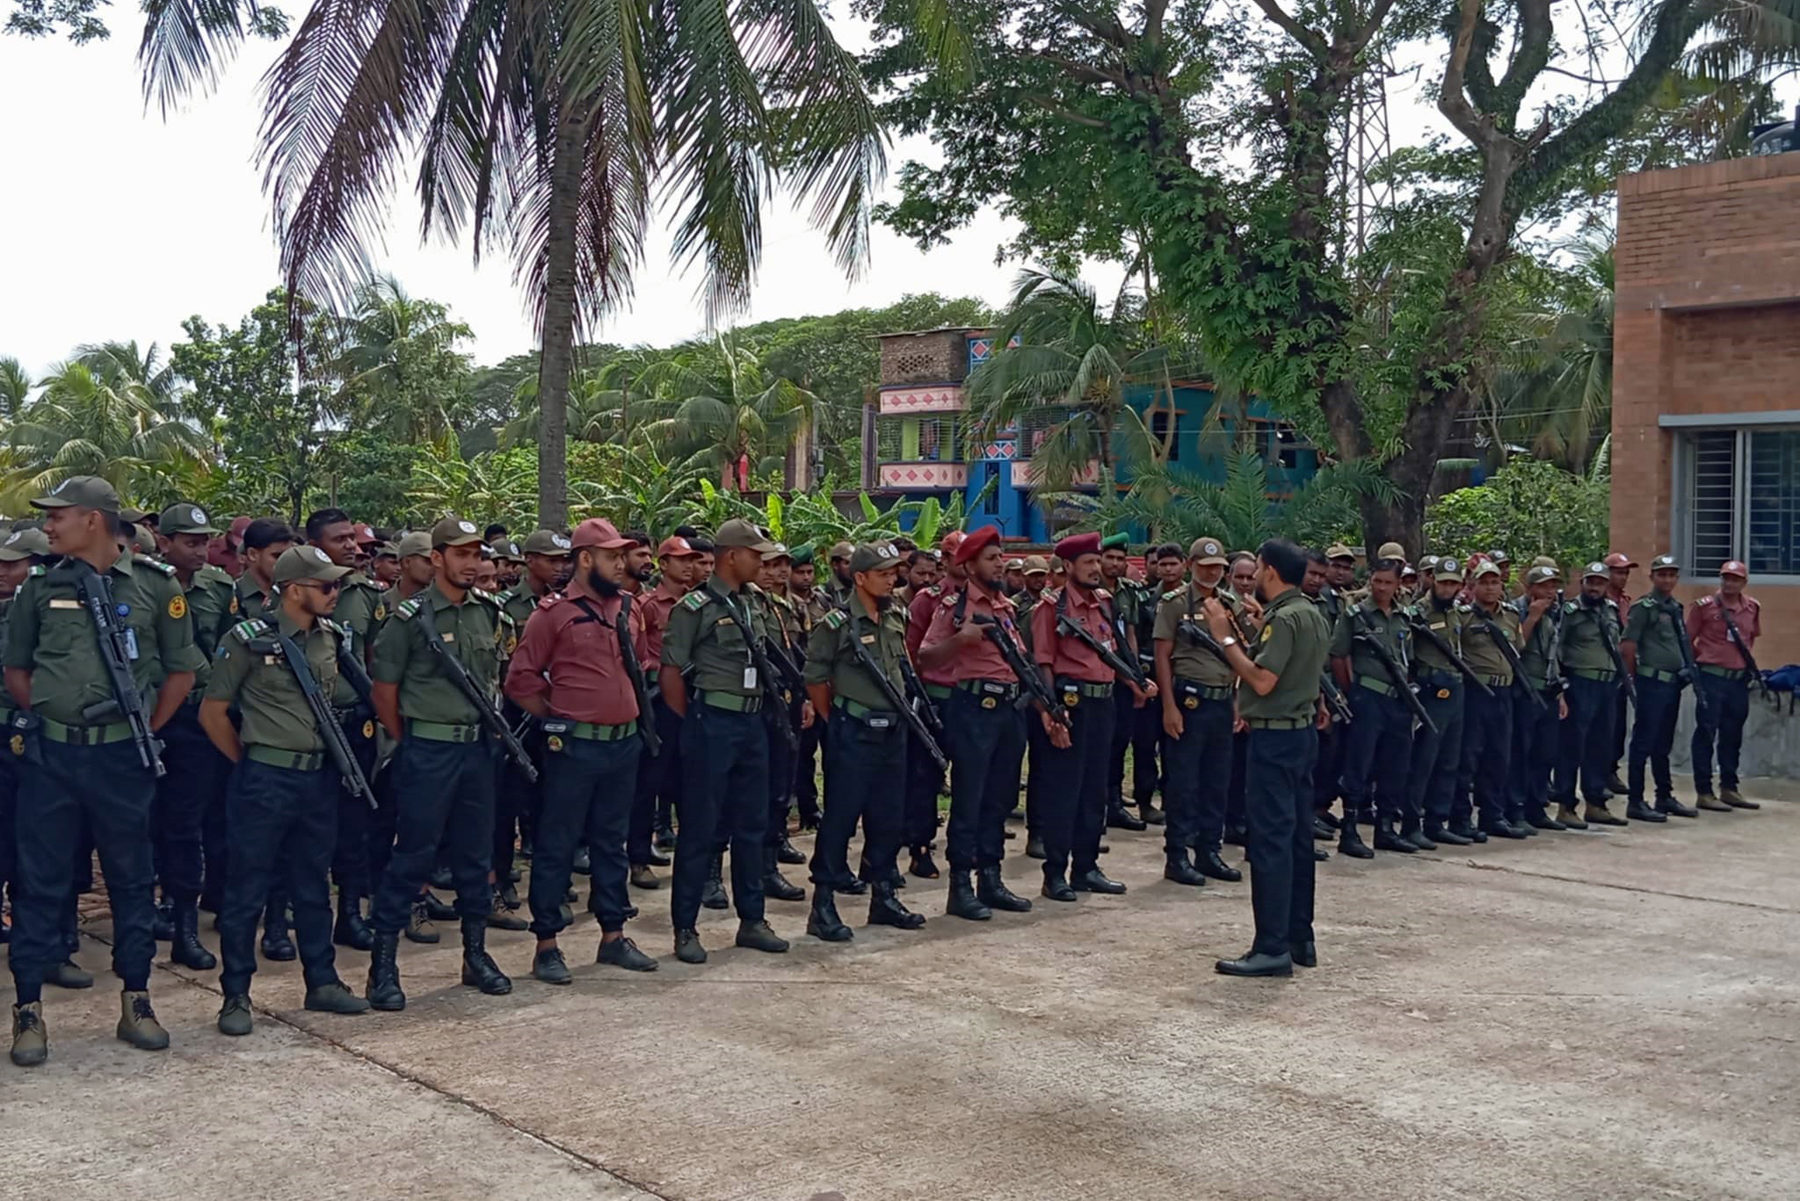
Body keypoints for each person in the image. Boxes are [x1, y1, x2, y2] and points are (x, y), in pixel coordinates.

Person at [7, 476, 204, 1067]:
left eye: (57, 516)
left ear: (93, 519)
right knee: (39, 881)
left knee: (131, 878)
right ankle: (27, 1011)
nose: (47, 526)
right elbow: (17, 670)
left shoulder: (155, 586)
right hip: (53, 758)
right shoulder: (40, 587)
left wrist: (143, 729)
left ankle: (137, 998)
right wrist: (53, 714)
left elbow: (180, 674)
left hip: (122, 759)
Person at [199, 546, 373, 1035]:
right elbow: (213, 713)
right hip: (264, 779)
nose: (335, 593)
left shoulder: (332, 639)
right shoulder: (248, 639)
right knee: (246, 889)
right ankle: (236, 994)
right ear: (295, 590)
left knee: (314, 884)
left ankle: (322, 981)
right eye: (326, 586)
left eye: (337, 585)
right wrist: (252, 763)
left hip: (318, 778)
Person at [364, 517, 513, 1011]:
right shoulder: (408, 619)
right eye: (462, 554)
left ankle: (475, 956)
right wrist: (415, 740)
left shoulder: (489, 614)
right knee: (412, 856)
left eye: (477, 555)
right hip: (427, 750)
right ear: (437, 559)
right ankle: (383, 967)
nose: (473, 564)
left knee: (475, 856)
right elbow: (383, 692)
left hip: (477, 750)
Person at [504, 518, 658, 981]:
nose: (621, 563)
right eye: (612, 556)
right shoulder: (552, 614)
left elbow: (643, 663)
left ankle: (613, 934)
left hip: (623, 745)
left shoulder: (630, 609)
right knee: (558, 844)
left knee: (612, 842)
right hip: (574, 748)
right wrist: (560, 714)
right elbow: (520, 680)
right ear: (586, 559)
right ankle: (548, 944)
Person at [657, 517, 794, 964]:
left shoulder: (757, 603)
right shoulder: (694, 607)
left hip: (754, 725)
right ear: (731, 556)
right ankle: (685, 927)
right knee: (699, 828)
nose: (762, 562)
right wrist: (695, 722)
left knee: (752, 827)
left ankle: (752, 920)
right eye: (756, 554)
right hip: (712, 723)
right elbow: (672, 673)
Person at [1202, 538, 1331, 977]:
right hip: (1299, 738)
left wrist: (1224, 635)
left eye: (1256, 569)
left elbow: (1261, 680)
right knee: (1297, 840)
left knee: (1271, 843)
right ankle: (1299, 937)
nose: (1252, 577)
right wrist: (1254, 631)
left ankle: (1271, 946)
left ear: (1271, 572)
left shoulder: (1286, 619)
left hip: (1274, 742)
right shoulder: (1308, 612)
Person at [803, 541, 928, 939]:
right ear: (859, 578)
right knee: (840, 817)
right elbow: (816, 678)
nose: (893, 578)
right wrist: (838, 717)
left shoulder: (896, 617)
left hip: (894, 730)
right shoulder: (837, 624)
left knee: (887, 817)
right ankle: (823, 903)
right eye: (883, 573)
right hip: (854, 730)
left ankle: (883, 896)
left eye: (895, 572)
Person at [917, 526, 1035, 921]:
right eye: (991, 558)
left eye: (1000, 556)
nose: (999, 563)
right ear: (968, 566)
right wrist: (961, 640)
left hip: (1008, 710)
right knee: (969, 798)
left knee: (999, 797)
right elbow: (926, 657)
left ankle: (991, 877)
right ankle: (961, 886)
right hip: (973, 709)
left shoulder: (1006, 606)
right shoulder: (954, 606)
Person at [1028, 533, 1154, 901]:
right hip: (1072, 703)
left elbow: (1113, 653)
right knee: (1064, 790)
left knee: (1095, 789)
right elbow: (1044, 663)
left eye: (1097, 562)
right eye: (1088, 563)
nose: (1096, 569)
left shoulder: (1105, 603)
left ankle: (1086, 866)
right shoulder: (1051, 609)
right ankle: (1055, 873)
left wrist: (1134, 684)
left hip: (1103, 704)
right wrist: (1053, 711)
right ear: (1068, 567)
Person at [152, 502, 235, 968]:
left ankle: (185, 924)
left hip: (196, 719)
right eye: (190, 542)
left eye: (205, 541)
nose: (201, 550)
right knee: (147, 825)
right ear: (164, 542)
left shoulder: (220, 589)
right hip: (148, 717)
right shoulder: (142, 587)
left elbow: (229, 649)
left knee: (191, 823)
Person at [306, 507, 386, 952]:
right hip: (310, 727)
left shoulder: (366, 593)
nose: (353, 547)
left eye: (353, 540)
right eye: (342, 540)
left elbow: (372, 657)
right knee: (306, 828)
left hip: (355, 724)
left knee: (356, 824)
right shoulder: (297, 595)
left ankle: (350, 914)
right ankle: (286, 918)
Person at [1154, 536, 1248, 886]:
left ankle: (1209, 851)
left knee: (1216, 781)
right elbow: (1162, 655)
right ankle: (1177, 855)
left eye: (1218, 568)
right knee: (1183, 782)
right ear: (1191, 566)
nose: (1212, 573)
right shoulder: (1175, 603)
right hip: (1189, 702)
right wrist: (1168, 706)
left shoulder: (1229, 604)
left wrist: (1238, 701)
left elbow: (1241, 651)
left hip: (1222, 700)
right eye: (1206, 567)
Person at [629, 536, 701, 887]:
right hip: (658, 701)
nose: (688, 566)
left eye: (692, 560)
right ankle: (639, 858)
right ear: (663, 564)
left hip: (694, 699)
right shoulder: (646, 605)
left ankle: (694, 858)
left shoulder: (699, 603)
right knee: (649, 783)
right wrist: (662, 669)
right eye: (680, 559)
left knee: (691, 782)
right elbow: (639, 655)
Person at [1330, 558, 1412, 856]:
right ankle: (1349, 831)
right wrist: (1353, 692)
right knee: (1358, 764)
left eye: (1388, 582)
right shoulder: (1357, 614)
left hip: (1398, 699)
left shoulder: (1404, 616)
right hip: (1368, 697)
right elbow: (1338, 655)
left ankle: (1386, 828)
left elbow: (1407, 659)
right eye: (1376, 581)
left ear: (1397, 584)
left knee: (1395, 763)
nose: (1381, 588)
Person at [1553, 563, 1627, 828]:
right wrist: (1560, 687)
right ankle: (1565, 805)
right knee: (1572, 746)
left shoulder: (1611, 610)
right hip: (1579, 683)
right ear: (1582, 583)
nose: (1594, 587)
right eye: (1590, 582)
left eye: (1600, 582)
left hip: (1607, 686)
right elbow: (1557, 649)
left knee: (1601, 745)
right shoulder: (1571, 612)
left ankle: (1596, 803)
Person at [1457, 560, 1528, 838]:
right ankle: (1461, 817)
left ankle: (1492, 814)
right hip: (1476, 692)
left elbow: (1518, 649)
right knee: (1469, 756)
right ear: (1473, 586)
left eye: (1494, 582)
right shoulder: (1463, 617)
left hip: (1504, 692)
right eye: (1484, 582)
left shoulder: (1510, 616)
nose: (1489, 587)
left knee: (1499, 756)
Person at [1408, 557, 1475, 847]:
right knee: (1424, 760)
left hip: (1456, 687)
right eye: (1444, 582)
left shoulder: (1457, 612)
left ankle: (1437, 821)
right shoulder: (1418, 612)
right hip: (1431, 689)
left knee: (1450, 759)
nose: (1448, 589)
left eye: (1454, 583)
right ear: (1433, 580)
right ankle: (1411, 824)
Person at [1686, 560, 1761, 813]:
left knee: (1732, 735)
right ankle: (1704, 791)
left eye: (1735, 579)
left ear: (1743, 582)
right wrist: (1704, 658)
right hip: (1711, 677)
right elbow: (1687, 638)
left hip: (1738, 680)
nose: (1729, 583)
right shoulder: (1704, 607)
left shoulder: (1752, 608)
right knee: (1706, 733)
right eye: (1726, 578)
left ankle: (1729, 788)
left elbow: (1750, 639)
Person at [1618, 554, 1688, 823]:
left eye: (1672, 575)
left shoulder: (1676, 607)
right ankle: (1635, 800)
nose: (1667, 580)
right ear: (1653, 577)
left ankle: (1664, 795)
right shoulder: (1644, 607)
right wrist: (1633, 680)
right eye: (1662, 574)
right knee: (1643, 743)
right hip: (1651, 682)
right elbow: (1628, 645)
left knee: (1663, 743)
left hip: (1672, 683)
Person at [1100, 533, 1162, 829]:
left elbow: (1131, 635)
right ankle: (1099, 804)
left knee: (1120, 740)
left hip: (1124, 678)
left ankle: (1113, 802)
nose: (1115, 564)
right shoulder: (1091, 590)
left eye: (1120, 559)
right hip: (1100, 678)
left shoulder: (1128, 591)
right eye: (1109, 558)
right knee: (1102, 742)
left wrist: (1136, 674)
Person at [1510, 565, 1571, 830]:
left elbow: (1554, 655)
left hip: (1548, 691)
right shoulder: (1516, 610)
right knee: (1521, 753)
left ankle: (1537, 808)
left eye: (1553, 585)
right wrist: (1532, 618)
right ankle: (1516, 809)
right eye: (1544, 585)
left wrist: (1560, 695)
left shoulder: (1556, 613)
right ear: (1530, 588)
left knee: (1545, 754)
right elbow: (1513, 648)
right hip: (1525, 690)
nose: (1550, 591)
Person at [1601, 551, 1636, 794]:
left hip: (1623, 672)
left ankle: (1611, 769)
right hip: (1602, 670)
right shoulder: (1598, 601)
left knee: (1618, 726)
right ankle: (1599, 773)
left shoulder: (1626, 601)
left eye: (1625, 573)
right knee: (1601, 728)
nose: (1622, 577)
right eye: (1618, 572)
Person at [233, 518, 297, 622]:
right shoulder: (232, 595)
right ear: (253, 554)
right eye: (277, 556)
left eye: (288, 555)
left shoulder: (296, 592)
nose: (285, 562)